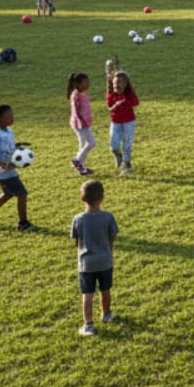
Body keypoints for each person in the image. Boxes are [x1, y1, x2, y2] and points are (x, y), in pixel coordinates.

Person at [71, 180, 118, 335]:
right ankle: (106, 314)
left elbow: (76, 239)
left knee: (87, 294)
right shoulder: (108, 217)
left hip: (86, 264)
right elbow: (112, 236)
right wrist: (107, 247)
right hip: (105, 261)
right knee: (105, 290)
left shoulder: (78, 219)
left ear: (82, 198)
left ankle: (88, 324)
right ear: (102, 198)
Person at [0, 104, 35, 231]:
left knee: (8, 194)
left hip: (9, 168)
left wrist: (17, 145)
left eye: (12, 114)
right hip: (3, 171)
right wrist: (0, 163)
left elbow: (6, 146)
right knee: (22, 194)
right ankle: (23, 224)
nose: (12, 117)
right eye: (8, 116)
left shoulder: (8, 130)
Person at [107, 69, 138, 175]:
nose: (116, 86)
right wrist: (116, 105)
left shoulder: (129, 95)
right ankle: (118, 155)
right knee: (113, 145)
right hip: (115, 122)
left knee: (127, 144)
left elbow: (136, 102)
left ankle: (127, 164)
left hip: (129, 122)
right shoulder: (111, 95)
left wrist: (125, 100)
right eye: (115, 83)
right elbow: (110, 108)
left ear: (125, 85)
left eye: (119, 83)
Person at [67, 72, 96, 176]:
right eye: (85, 82)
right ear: (78, 84)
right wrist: (82, 122)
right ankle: (77, 160)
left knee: (83, 145)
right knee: (92, 143)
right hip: (81, 125)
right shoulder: (76, 95)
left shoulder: (81, 94)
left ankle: (81, 168)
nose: (88, 83)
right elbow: (76, 111)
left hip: (83, 123)